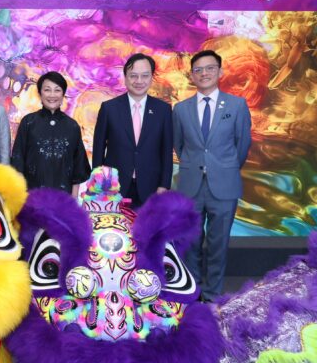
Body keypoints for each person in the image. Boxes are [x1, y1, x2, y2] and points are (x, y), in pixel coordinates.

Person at [172, 49, 252, 301]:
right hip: (191, 185)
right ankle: (193, 288)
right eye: (198, 70)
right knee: (191, 241)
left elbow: (242, 144)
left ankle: (213, 291)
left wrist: (223, 167)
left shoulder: (237, 105)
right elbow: (179, 145)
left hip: (224, 185)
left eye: (209, 68)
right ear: (191, 76)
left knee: (218, 244)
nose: (204, 73)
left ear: (220, 72)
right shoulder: (181, 109)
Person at [92, 52, 173, 206]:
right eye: (133, 75)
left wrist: (164, 185)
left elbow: (166, 151)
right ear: (125, 77)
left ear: (151, 77)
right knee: (115, 229)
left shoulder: (163, 110)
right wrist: (99, 182)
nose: (139, 81)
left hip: (151, 186)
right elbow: (98, 150)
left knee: (147, 229)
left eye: (145, 76)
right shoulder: (109, 108)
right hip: (114, 187)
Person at [11, 71, 91, 196]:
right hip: (32, 199)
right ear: (40, 93)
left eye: (57, 90)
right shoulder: (28, 123)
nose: (52, 95)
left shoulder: (72, 126)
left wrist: (73, 202)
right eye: (47, 90)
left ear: (63, 94)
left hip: (63, 199)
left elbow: (78, 168)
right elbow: (18, 161)